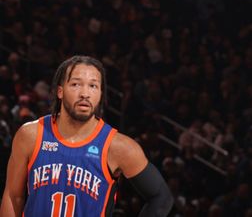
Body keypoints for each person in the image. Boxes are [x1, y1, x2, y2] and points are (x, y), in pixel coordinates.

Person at [1, 55, 173, 217]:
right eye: (76, 84)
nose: (85, 93)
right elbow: (12, 195)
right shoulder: (31, 134)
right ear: (60, 91)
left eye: (93, 86)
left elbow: (161, 197)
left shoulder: (119, 147)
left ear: (100, 94)